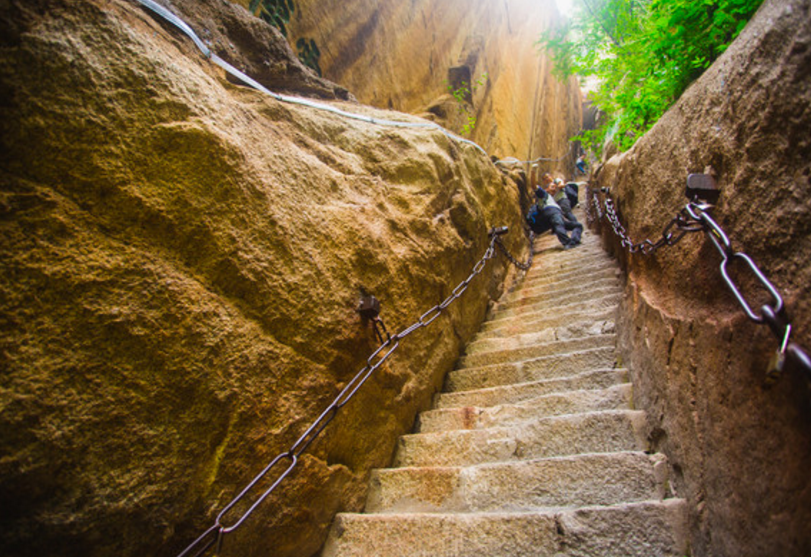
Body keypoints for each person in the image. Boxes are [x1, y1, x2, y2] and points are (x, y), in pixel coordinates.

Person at [525, 177, 582, 249]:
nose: (554, 189)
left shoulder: (554, 199)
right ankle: (567, 243)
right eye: (552, 187)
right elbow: (534, 186)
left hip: (553, 215)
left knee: (578, 226)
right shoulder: (543, 194)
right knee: (559, 224)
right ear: (546, 189)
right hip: (551, 212)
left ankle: (575, 240)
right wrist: (533, 172)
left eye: (555, 187)